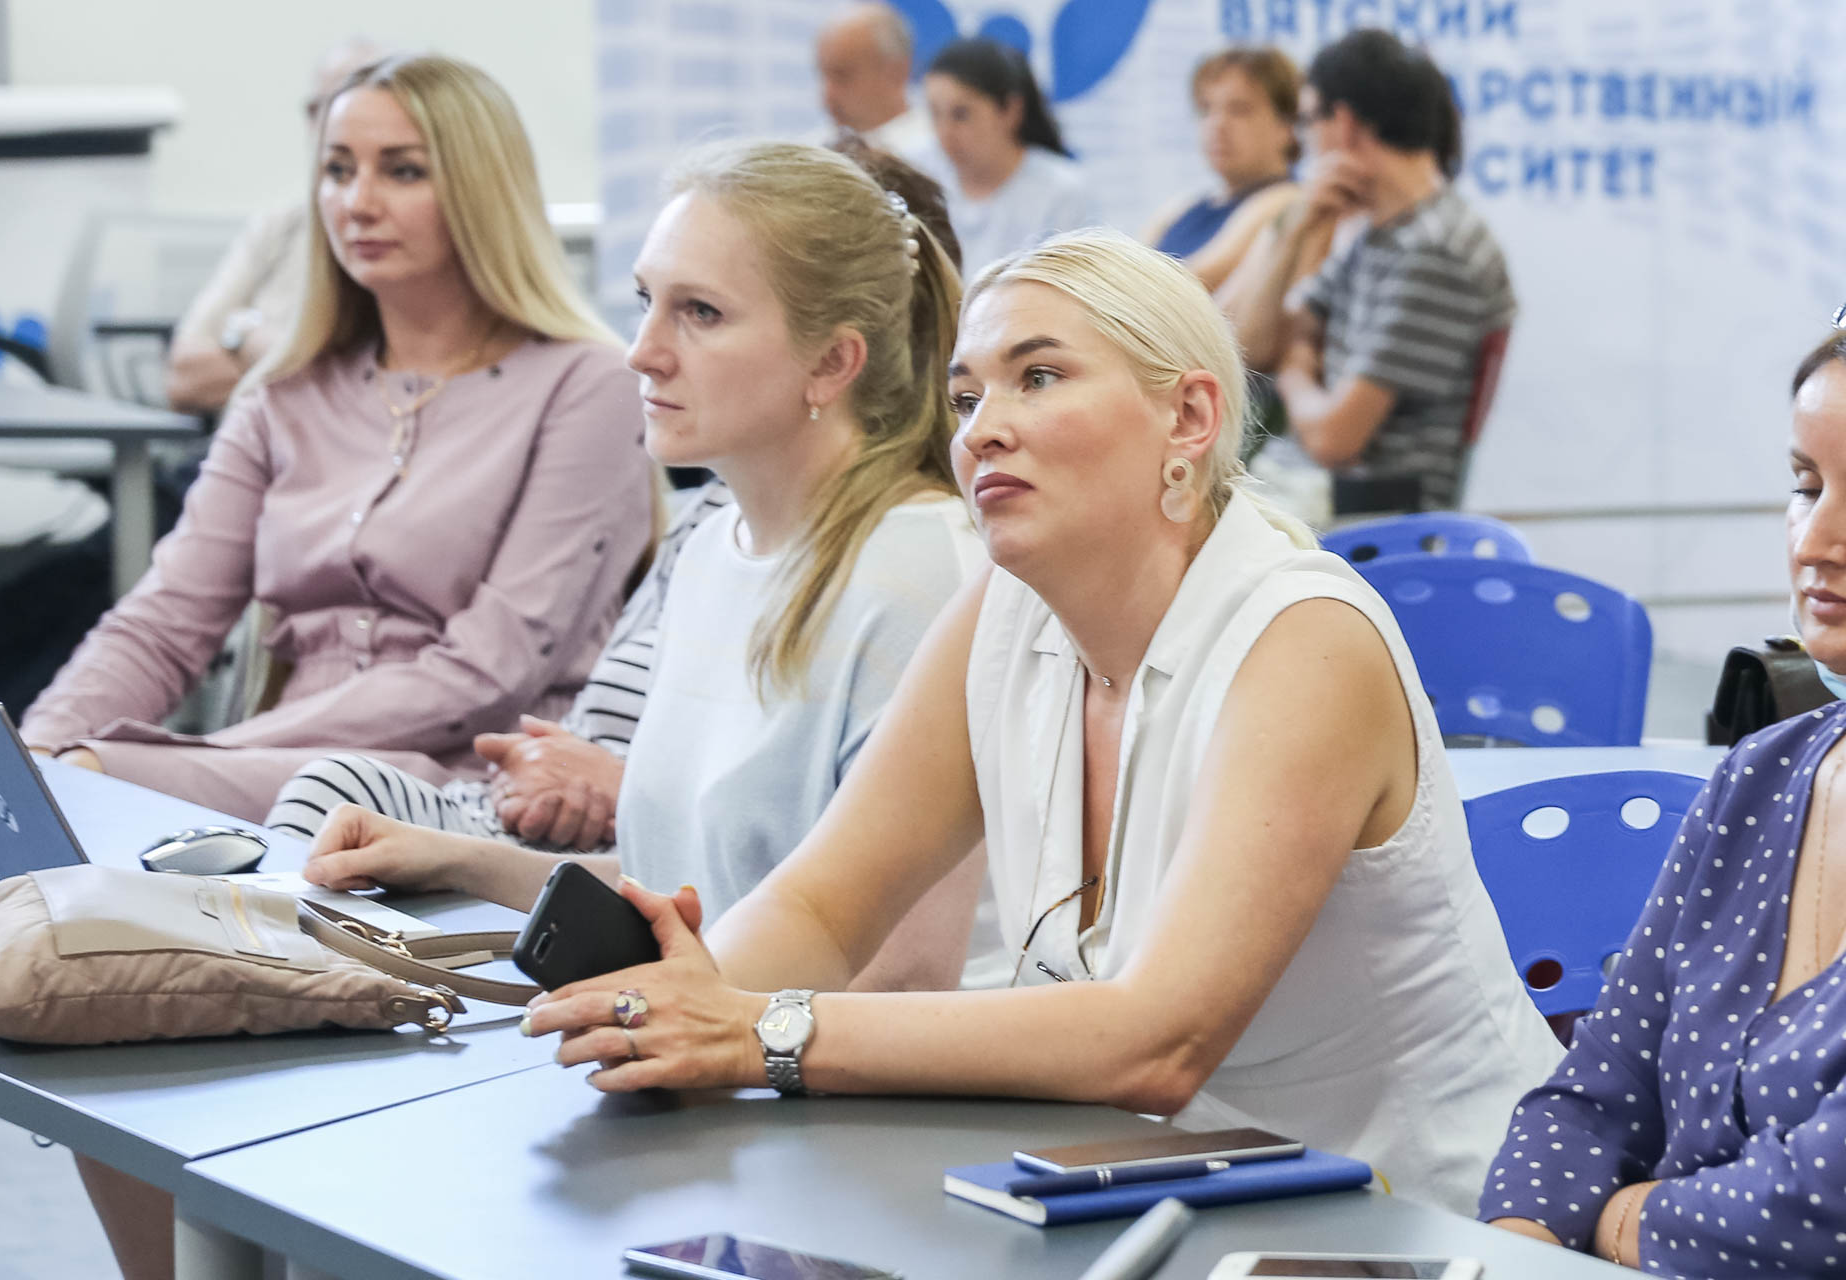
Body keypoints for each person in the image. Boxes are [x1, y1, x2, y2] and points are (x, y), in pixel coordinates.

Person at [314, 228, 1561, 1213]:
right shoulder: (1005, 608)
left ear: (1187, 419)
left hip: (1420, 1220)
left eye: (1039, 376)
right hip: (1161, 1189)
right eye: (967, 395)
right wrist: (677, 1001)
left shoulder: (1303, 640)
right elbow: (825, 905)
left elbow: (1159, 1039)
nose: (984, 428)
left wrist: (759, 1029)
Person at [301, 138, 988, 994]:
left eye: (700, 313)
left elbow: (906, 979)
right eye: (644, 302)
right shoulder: (710, 550)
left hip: (847, 1070)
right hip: (725, 1039)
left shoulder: (922, 573)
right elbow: (688, 896)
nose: (642, 350)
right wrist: (455, 860)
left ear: (832, 362)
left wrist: (647, 1026)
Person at [16, 52, 655, 826]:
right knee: (43, 786)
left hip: (464, 782)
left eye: (403, 171)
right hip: (269, 774)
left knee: (93, 784)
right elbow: (165, 623)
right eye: (338, 170)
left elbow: (488, 673)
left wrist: (199, 758)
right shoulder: (283, 394)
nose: (358, 202)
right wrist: (34, 752)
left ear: (482, 190)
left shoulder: (588, 387)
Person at [1479, 332, 1846, 1276]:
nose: (1816, 542)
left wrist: (1620, 1225)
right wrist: (1523, 1245)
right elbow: (1597, 1086)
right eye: (1806, 486)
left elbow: (1823, 1212)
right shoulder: (1759, 777)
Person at [1225, 29, 1513, 522]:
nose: (1303, 143)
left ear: (1343, 124)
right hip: (1308, 496)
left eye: (1307, 120)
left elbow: (1332, 439)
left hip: (1360, 518)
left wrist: (1293, 371)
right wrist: (1295, 230)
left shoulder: (1434, 249)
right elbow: (1254, 345)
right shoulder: (1383, 232)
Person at [165, 36, 390, 414]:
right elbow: (184, 376)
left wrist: (245, 336)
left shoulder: (398, 237)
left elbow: (360, 388)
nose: (339, 123)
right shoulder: (279, 226)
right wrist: (299, 369)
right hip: (244, 437)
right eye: (325, 107)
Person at [922, 37, 1099, 281]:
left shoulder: (1062, 193)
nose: (945, 132)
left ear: (1011, 110)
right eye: (935, 114)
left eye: (961, 114)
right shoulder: (918, 172)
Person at [1140, 47, 1304, 291]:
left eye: (1239, 110)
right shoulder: (1182, 208)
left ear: (1288, 125)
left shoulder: (1288, 201)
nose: (1217, 124)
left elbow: (1194, 282)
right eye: (1206, 109)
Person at [815, 3, 934, 168]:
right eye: (824, 75)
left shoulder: (938, 155)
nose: (828, 93)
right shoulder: (812, 151)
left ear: (896, 71)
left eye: (842, 76)